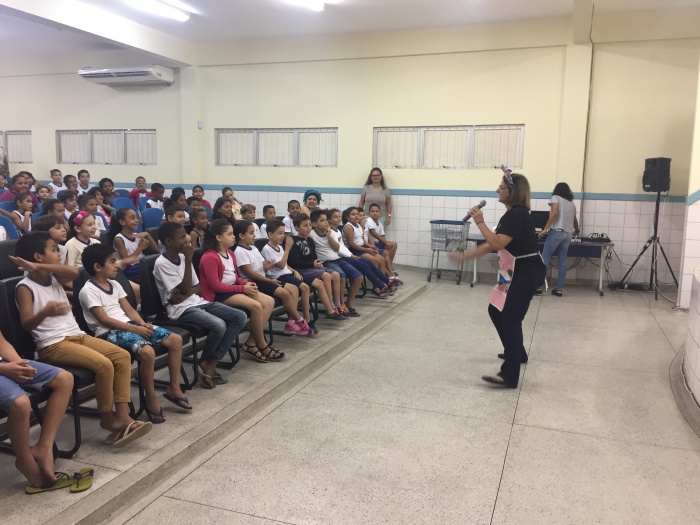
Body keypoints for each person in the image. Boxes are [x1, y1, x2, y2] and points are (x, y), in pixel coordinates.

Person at [13, 232, 152, 445]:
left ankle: (122, 415)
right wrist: (45, 312)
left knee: (122, 356)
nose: (59, 253)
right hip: (53, 344)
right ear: (38, 256)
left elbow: (73, 272)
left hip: (77, 336)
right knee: (104, 365)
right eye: (53, 250)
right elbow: (26, 324)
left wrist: (39, 267)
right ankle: (107, 419)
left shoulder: (53, 277)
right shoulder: (25, 287)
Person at [450, 171, 546, 389]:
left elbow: (496, 243)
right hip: (512, 269)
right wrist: (466, 256)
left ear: (513, 191)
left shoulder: (517, 215)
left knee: (511, 318)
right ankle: (517, 352)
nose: (497, 191)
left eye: (501, 188)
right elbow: (493, 243)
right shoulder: (511, 215)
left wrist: (480, 222)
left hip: (526, 271)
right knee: (495, 310)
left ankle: (509, 375)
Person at [80, 244, 191, 424]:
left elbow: (129, 310)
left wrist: (142, 324)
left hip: (129, 326)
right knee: (147, 352)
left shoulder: (114, 284)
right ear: (97, 267)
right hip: (109, 333)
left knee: (175, 340)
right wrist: (135, 329)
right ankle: (150, 396)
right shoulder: (88, 290)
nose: (116, 265)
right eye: (112, 262)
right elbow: (104, 320)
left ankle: (174, 387)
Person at [154, 222, 247, 388]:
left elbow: (198, 287)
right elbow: (185, 287)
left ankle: (211, 361)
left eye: (186, 235)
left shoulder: (183, 257)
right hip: (180, 309)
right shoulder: (162, 263)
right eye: (182, 237)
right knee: (218, 325)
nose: (187, 240)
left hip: (196, 301)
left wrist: (185, 294)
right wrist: (189, 262)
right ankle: (207, 361)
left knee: (239, 316)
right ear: (168, 242)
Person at [198, 220, 283, 365]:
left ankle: (251, 343)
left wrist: (244, 283)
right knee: (256, 306)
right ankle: (262, 344)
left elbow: (235, 277)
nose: (233, 237)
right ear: (218, 237)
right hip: (218, 295)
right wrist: (242, 289)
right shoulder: (210, 257)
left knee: (269, 301)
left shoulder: (230, 253)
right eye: (230, 234)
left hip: (232, 289)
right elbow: (215, 286)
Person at [0, 329, 74, 493]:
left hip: (5, 364)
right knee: (20, 403)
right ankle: (25, 461)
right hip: (2, 368)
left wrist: (19, 364)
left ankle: (44, 447)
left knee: (65, 379)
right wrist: (4, 369)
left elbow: (2, 342)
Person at [287, 214, 347, 321]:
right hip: (301, 270)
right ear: (296, 227)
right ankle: (330, 308)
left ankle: (337, 305)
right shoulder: (294, 241)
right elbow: (294, 262)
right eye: (305, 226)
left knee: (336, 274)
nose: (308, 228)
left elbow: (314, 256)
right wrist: (312, 265)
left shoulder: (310, 240)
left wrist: (318, 264)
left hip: (311, 268)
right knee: (326, 276)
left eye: (310, 225)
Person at [260, 220, 316, 333]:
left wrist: (294, 271)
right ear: (270, 234)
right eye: (279, 233)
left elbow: (285, 265)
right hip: (278, 276)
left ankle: (304, 319)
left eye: (284, 233)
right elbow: (281, 266)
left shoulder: (279, 247)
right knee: (301, 288)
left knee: (305, 287)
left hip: (287, 273)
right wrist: (287, 249)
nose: (282, 236)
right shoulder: (267, 249)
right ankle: (295, 321)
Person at [327, 208, 394, 298]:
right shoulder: (341, 229)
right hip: (344, 255)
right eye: (336, 217)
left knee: (372, 262)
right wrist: (352, 254)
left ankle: (385, 281)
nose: (339, 218)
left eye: (339, 216)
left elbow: (343, 246)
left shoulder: (338, 231)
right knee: (367, 264)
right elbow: (345, 246)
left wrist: (368, 247)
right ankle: (381, 285)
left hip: (347, 254)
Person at [309, 210, 362, 316]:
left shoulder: (330, 232)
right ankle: (340, 304)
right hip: (326, 262)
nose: (326, 222)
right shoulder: (312, 235)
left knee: (358, 277)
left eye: (326, 220)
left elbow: (337, 248)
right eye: (322, 220)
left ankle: (348, 303)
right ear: (314, 224)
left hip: (338, 259)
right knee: (341, 276)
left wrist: (329, 236)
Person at [538, 182, 579, 297]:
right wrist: (577, 230)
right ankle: (559, 289)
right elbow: (574, 219)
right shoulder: (571, 204)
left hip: (556, 232)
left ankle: (538, 287)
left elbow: (554, 212)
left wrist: (545, 229)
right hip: (568, 234)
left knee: (544, 258)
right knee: (562, 261)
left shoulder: (555, 198)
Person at [106, 208, 156, 285]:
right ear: (122, 222)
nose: (137, 220)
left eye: (136, 217)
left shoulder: (137, 236)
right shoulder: (119, 239)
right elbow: (126, 262)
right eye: (132, 218)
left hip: (141, 265)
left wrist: (147, 235)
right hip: (130, 270)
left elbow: (156, 251)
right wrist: (140, 248)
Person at [366, 203, 399, 276]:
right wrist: (385, 242)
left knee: (393, 245)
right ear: (369, 213)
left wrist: (386, 243)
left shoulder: (380, 224)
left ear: (380, 213)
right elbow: (373, 232)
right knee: (389, 246)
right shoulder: (368, 220)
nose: (375, 213)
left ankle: (389, 265)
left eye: (377, 211)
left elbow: (382, 236)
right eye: (372, 211)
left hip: (378, 243)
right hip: (371, 244)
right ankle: (389, 269)